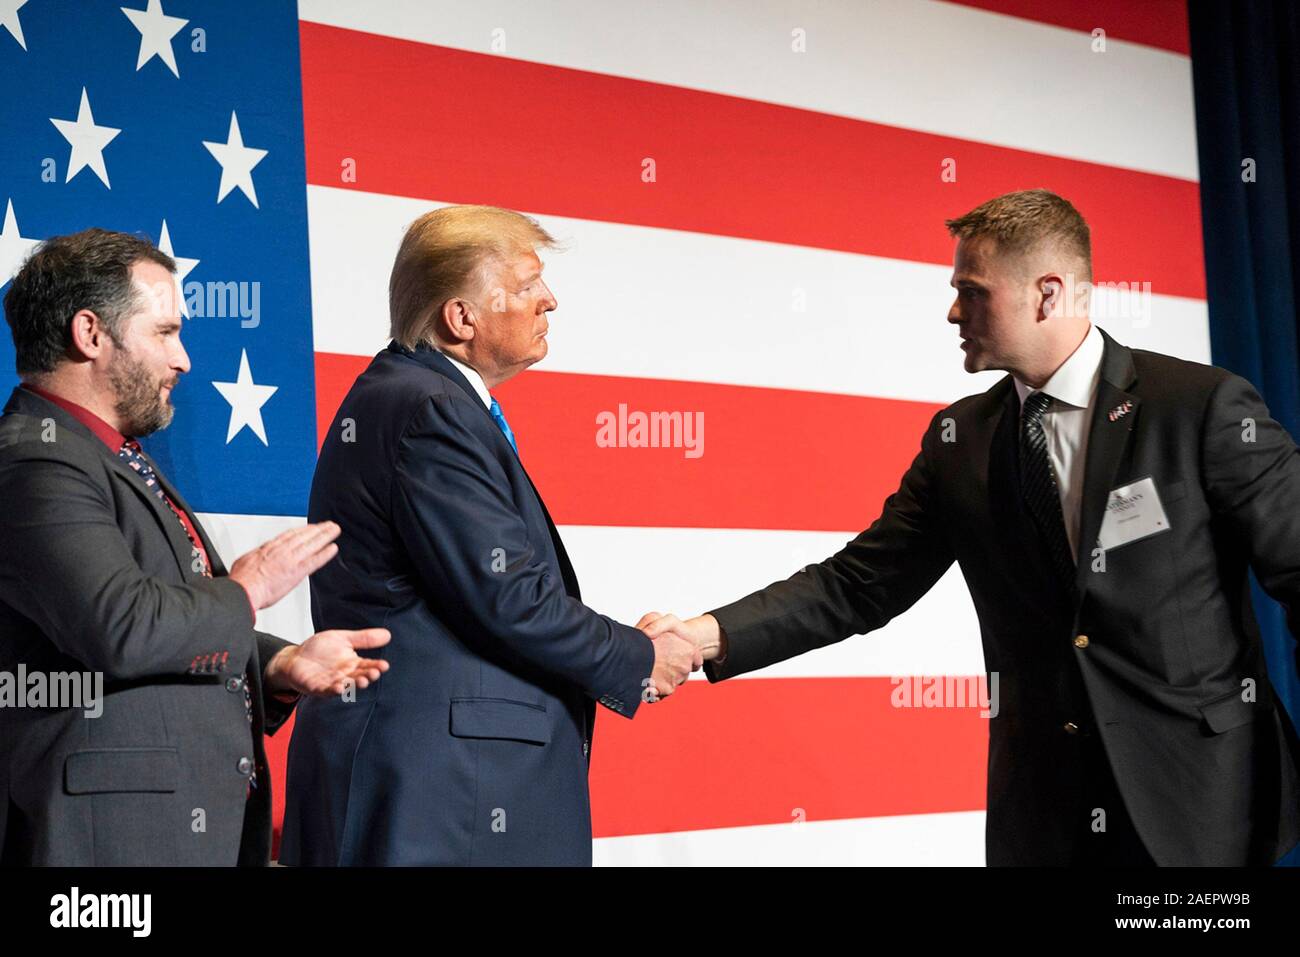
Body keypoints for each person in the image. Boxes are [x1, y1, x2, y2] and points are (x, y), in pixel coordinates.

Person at [643, 189, 1300, 866]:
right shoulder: (960, 438)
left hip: (1199, 803)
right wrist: (701, 637)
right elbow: (860, 584)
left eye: (971, 290)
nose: (954, 310)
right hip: (1044, 815)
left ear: (1048, 294)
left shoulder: (1199, 407)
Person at [280, 205, 700, 866]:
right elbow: (510, 600)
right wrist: (642, 656)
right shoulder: (430, 410)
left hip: (436, 789)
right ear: (462, 317)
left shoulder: (416, 398)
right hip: (443, 801)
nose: (550, 300)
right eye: (529, 285)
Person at [0, 228, 391, 866]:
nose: (183, 360)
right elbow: (120, 625)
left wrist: (273, 666)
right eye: (165, 332)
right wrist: (248, 589)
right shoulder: (34, 460)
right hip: (109, 844)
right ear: (91, 334)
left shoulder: (109, 458)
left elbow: (163, 612)